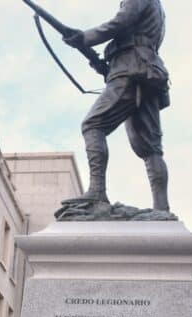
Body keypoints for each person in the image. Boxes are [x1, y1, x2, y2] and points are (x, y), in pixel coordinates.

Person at [61, 0, 172, 213]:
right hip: (146, 72)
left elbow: (121, 21)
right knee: (151, 149)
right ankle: (162, 209)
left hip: (131, 69)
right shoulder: (157, 6)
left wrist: (85, 37)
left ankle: (97, 191)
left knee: (93, 125)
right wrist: (104, 65)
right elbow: (134, 37)